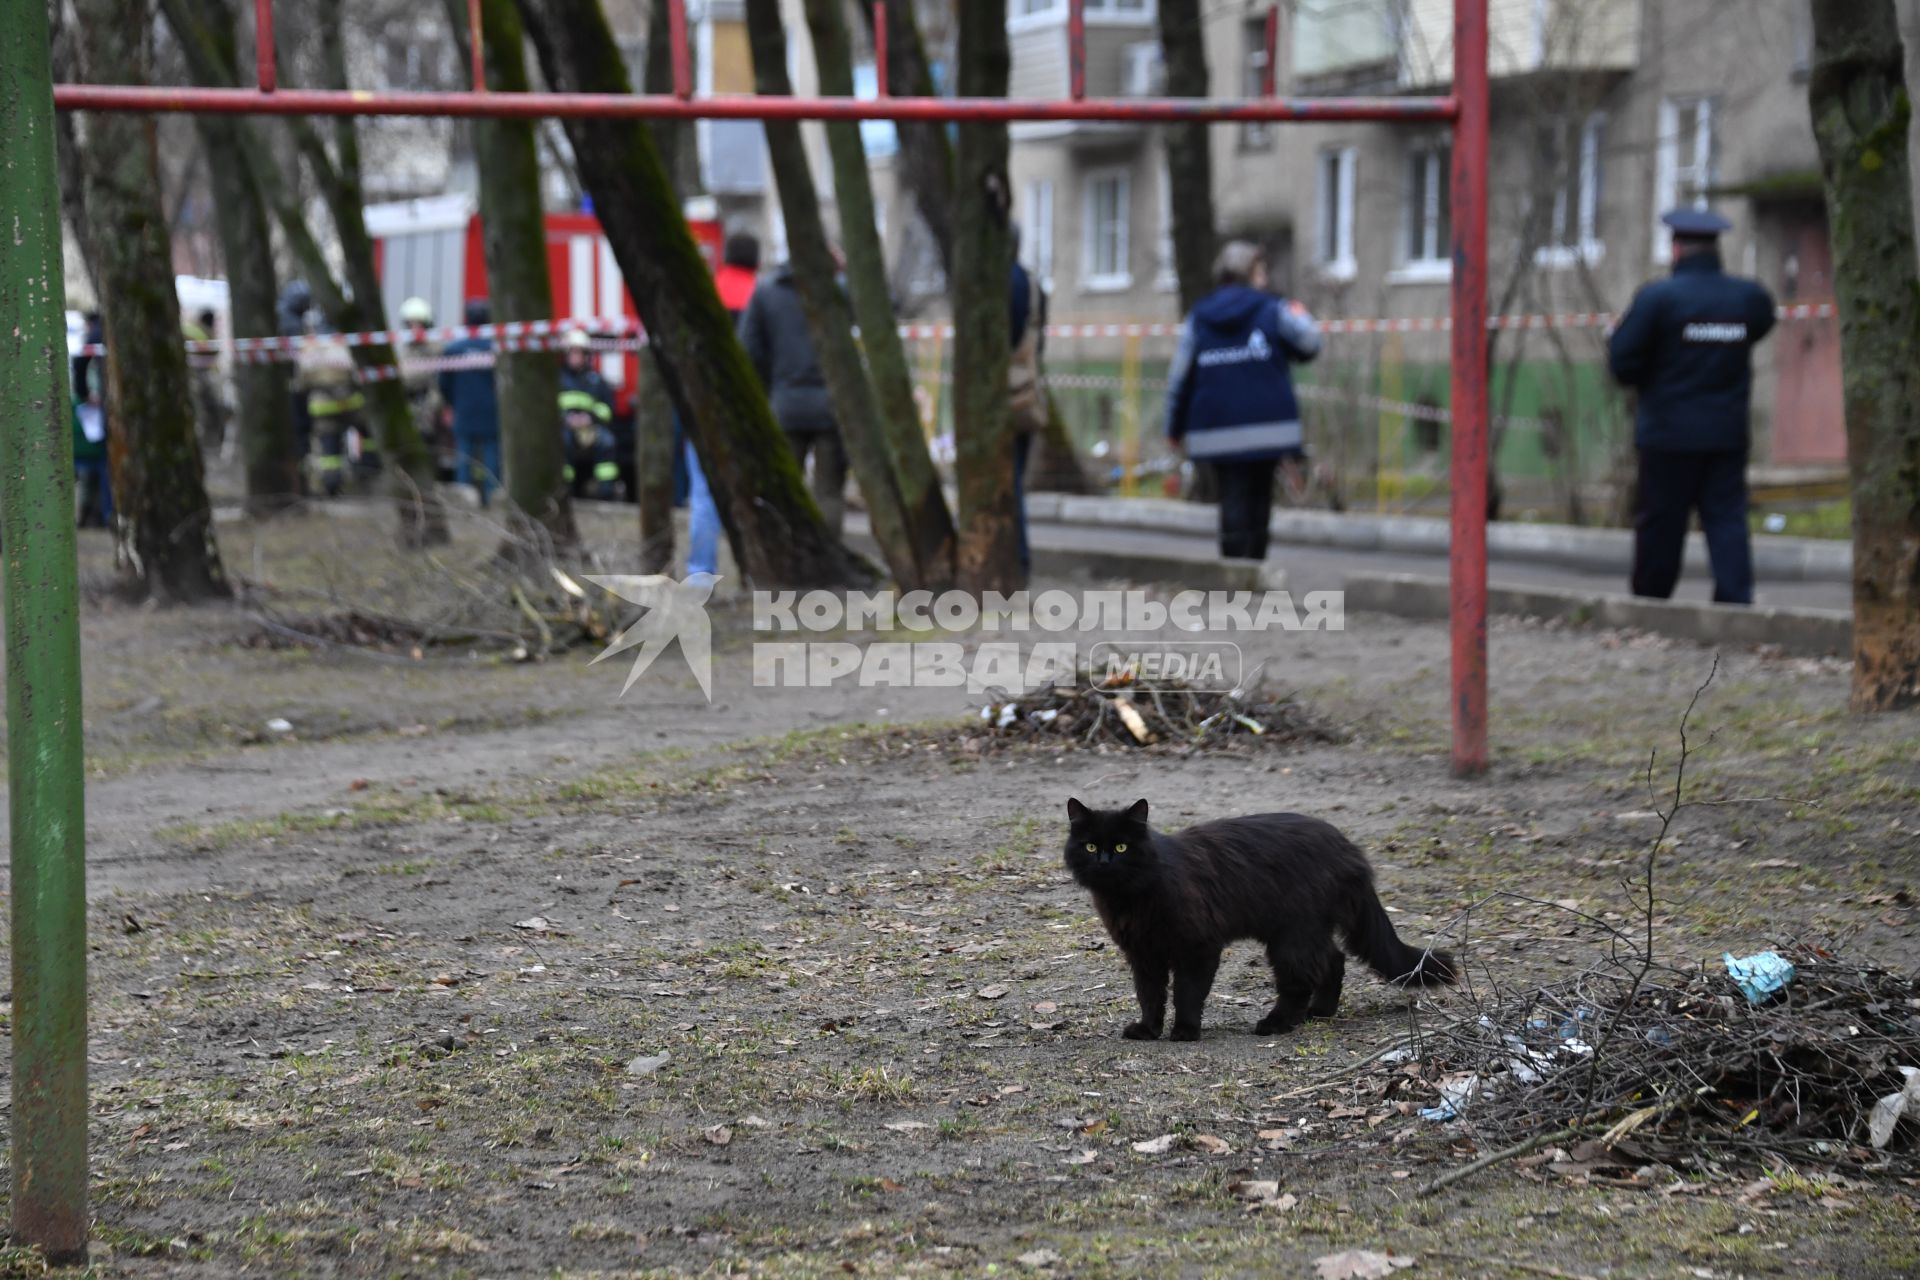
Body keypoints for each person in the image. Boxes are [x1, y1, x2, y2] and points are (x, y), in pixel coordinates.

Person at [1607, 208, 1777, 605]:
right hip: (1726, 433)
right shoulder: (1747, 298)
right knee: (1727, 519)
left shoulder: (1658, 299)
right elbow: (1763, 325)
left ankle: (1652, 601)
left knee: (1662, 522)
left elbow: (1622, 362)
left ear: (1677, 249)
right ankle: (1736, 602)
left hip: (1668, 436)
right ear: (1715, 250)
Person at [1165, 241, 1322, 561]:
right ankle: (1254, 567)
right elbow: (1310, 344)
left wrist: (1174, 427)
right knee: (1261, 497)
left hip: (1215, 427)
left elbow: (1179, 377)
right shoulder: (1272, 309)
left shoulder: (1200, 316)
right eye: (1261, 271)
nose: (1264, 279)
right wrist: (1300, 313)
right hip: (1270, 426)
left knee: (1231, 496)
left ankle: (1234, 569)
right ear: (1249, 273)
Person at [739, 250, 846, 534]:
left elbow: (749, 349)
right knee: (829, 493)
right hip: (832, 408)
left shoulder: (766, 293)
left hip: (785, 406)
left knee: (783, 490)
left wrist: (769, 388)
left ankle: (786, 560)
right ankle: (829, 565)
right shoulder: (837, 293)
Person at [684, 232, 762, 575]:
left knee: (703, 495)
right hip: (752, 412)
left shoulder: (704, 292)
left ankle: (700, 573)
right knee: (754, 496)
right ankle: (755, 571)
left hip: (704, 407)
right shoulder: (763, 296)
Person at [1008, 226, 1051, 579]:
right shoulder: (1033, 286)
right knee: (1015, 478)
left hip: (999, 397)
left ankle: (1015, 561)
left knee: (1005, 483)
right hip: (1025, 394)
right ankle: (1019, 561)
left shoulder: (995, 285)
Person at [293, 316, 366, 498]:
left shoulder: (308, 347)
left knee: (329, 450)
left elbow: (301, 382)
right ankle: (366, 476)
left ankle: (331, 486)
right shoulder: (345, 344)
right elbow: (358, 376)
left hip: (322, 406)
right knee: (365, 436)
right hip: (349, 403)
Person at [439, 298, 502, 506]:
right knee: (492, 455)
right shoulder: (496, 349)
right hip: (491, 411)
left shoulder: (453, 350)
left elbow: (443, 383)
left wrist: (451, 404)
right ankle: (492, 496)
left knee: (464, 456)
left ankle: (464, 498)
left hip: (463, 410)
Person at [558, 328, 620, 500]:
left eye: (579, 353)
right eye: (573, 352)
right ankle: (566, 490)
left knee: (607, 442)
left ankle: (606, 493)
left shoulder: (596, 380)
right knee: (563, 443)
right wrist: (566, 419)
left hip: (591, 428)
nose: (576, 357)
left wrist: (590, 418)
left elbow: (608, 409)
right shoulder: (558, 379)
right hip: (566, 428)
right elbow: (550, 408)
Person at [398, 297, 453, 481]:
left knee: (432, 443)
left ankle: (434, 478)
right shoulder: (406, 348)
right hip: (410, 402)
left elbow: (439, 379)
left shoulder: (436, 348)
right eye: (410, 324)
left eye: (418, 324)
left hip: (429, 402)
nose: (414, 329)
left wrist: (433, 405)